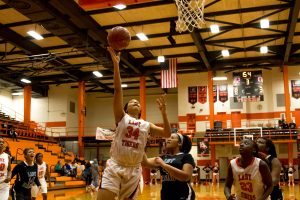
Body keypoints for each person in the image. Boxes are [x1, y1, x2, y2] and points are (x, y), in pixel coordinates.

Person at [97, 47, 171, 200]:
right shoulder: (121, 118)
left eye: (138, 102)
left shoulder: (146, 125)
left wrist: (164, 113)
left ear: (141, 109)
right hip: (115, 166)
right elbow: (118, 91)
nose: (135, 102)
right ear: (125, 108)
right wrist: (116, 65)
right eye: (132, 101)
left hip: (134, 170)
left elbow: (167, 134)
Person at [143, 133, 195, 200]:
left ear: (179, 143)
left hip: (183, 194)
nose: (168, 139)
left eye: (172, 138)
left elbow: (185, 176)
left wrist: (164, 165)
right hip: (166, 195)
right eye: (168, 138)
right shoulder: (163, 157)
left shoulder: (186, 156)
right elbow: (144, 162)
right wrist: (141, 144)